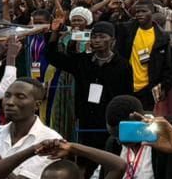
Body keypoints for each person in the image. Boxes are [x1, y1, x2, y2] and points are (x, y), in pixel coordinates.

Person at [45, 16, 136, 150]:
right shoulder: (82, 61)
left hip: (110, 122)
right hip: (86, 120)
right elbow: (53, 57)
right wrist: (54, 33)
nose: (97, 40)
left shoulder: (122, 66)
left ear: (113, 41)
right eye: (94, 37)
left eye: (102, 37)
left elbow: (127, 95)